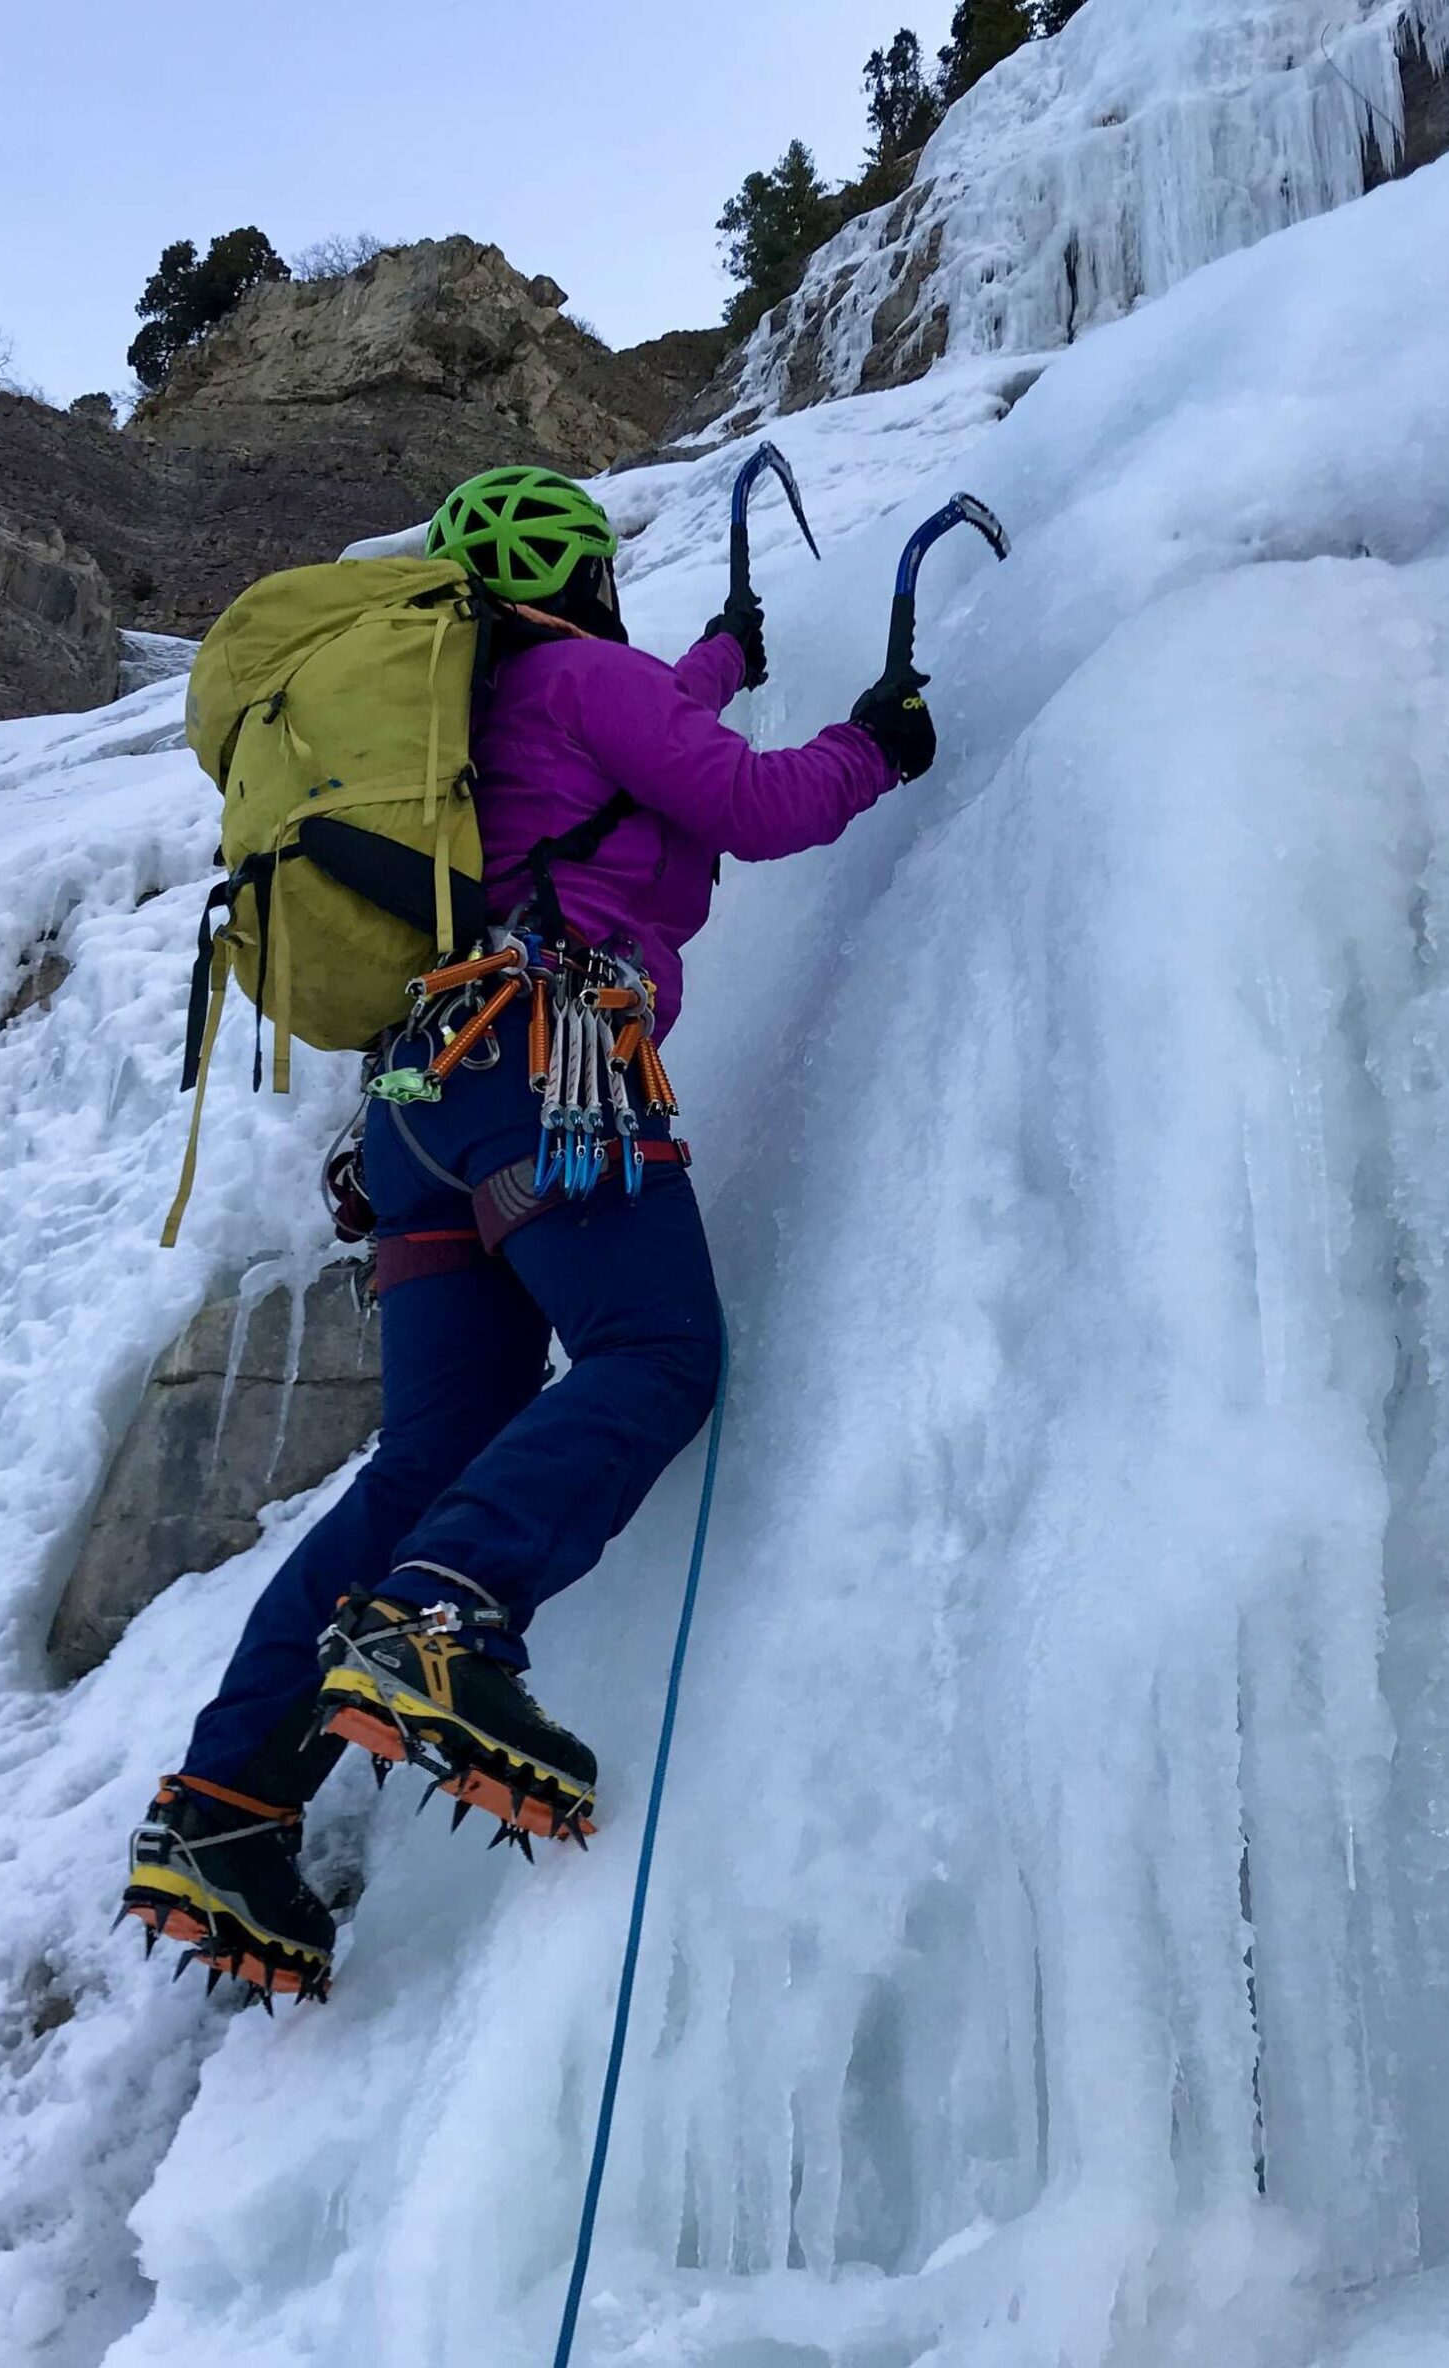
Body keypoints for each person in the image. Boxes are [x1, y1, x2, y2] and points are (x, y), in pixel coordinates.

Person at [122, 466, 937, 1998]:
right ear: (585, 576)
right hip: (548, 1061)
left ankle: (225, 1812)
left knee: (428, 1459)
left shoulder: (472, 715)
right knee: (654, 1350)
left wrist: (719, 662)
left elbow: (635, 739)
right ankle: (443, 1622)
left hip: (419, 1110)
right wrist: (876, 746)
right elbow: (751, 806)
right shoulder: (585, 677)